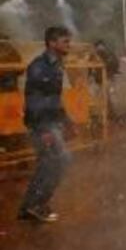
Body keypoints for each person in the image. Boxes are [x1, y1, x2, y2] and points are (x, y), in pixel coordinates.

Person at [18, 26, 74, 223]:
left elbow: (53, 98)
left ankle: (31, 206)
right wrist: (42, 129)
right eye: (65, 41)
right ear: (52, 43)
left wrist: (66, 120)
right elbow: (35, 100)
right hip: (43, 124)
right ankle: (36, 204)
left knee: (50, 163)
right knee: (56, 161)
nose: (69, 45)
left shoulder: (56, 65)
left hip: (50, 122)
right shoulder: (40, 66)